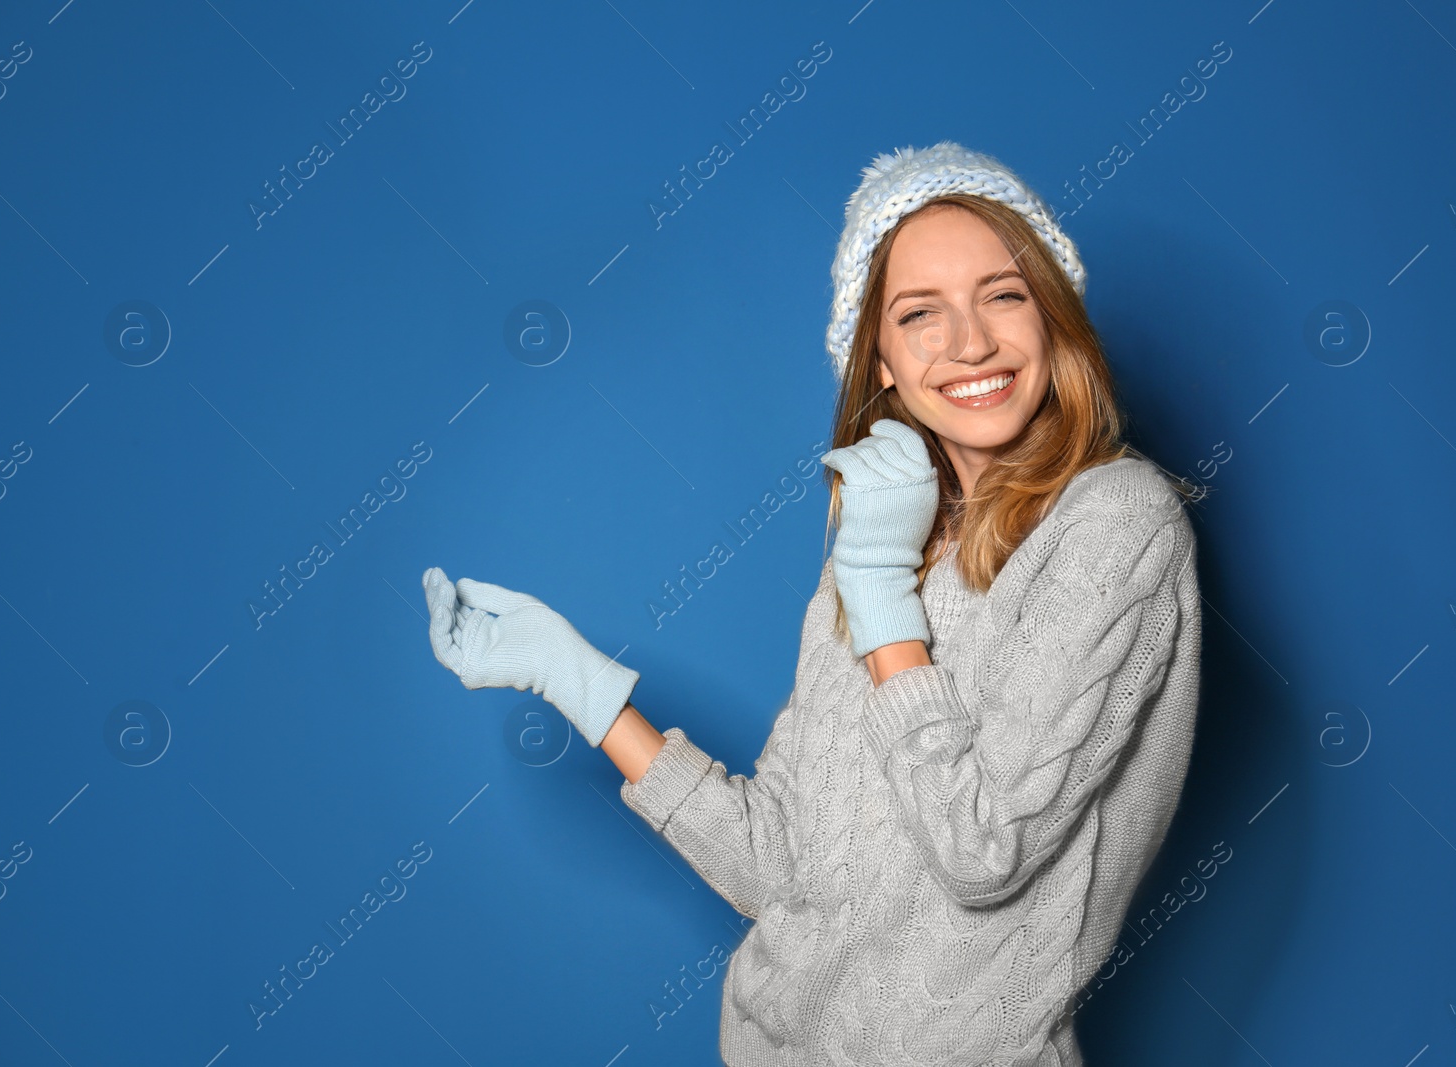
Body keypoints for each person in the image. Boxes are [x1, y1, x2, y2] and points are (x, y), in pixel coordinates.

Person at [422, 140, 1204, 1066]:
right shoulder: (879, 547)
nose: (970, 343)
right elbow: (777, 867)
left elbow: (984, 848)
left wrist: (876, 587)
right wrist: (579, 682)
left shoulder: (1118, 523)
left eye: (1003, 293)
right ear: (879, 360)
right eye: (921, 314)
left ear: (1053, 318)